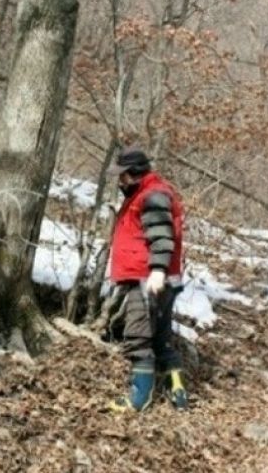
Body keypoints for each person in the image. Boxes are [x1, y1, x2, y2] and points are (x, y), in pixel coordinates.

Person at [106, 147, 188, 412]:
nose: (120, 182)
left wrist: (157, 271)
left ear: (134, 173)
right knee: (161, 339)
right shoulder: (149, 193)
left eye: (122, 176)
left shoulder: (152, 196)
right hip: (157, 277)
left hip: (148, 279)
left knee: (138, 336)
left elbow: (162, 236)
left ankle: (139, 398)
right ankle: (178, 391)